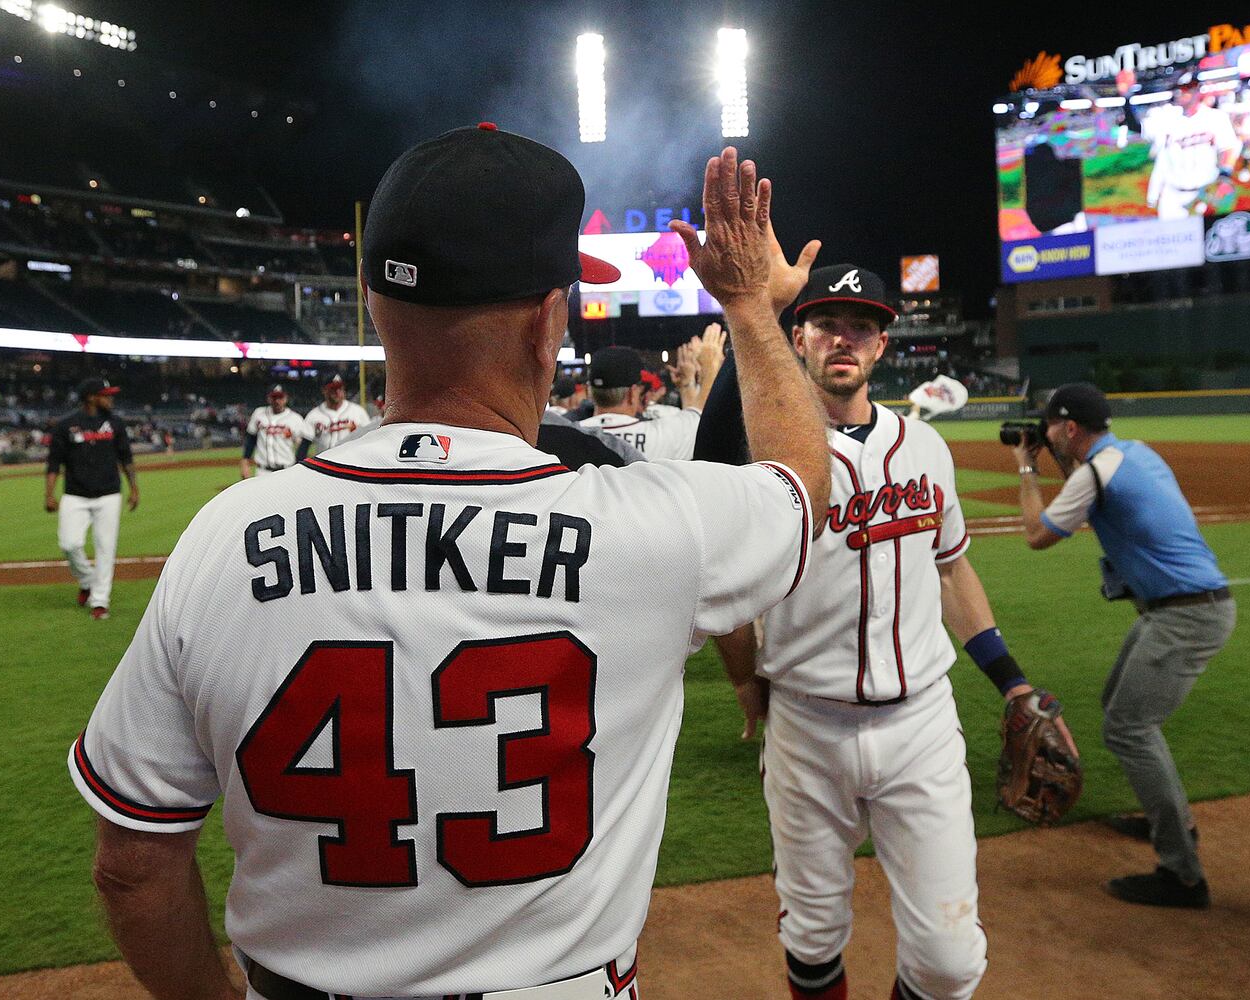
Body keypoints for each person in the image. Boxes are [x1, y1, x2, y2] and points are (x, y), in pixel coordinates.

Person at [68, 133, 830, 1000]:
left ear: (373, 302)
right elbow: (802, 481)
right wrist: (750, 308)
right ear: (550, 318)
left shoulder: (224, 535)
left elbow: (131, 866)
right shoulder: (652, 529)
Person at [697, 263, 1075, 1000]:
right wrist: (745, 680)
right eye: (828, 323)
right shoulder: (766, 457)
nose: (844, 338)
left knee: (950, 962)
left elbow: (952, 570)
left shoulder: (925, 449)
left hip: (920, 724)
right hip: (808, 725)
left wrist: (1011, 680)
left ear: (881, 345)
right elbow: (726, 585)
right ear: (798, 337)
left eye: (860, 326)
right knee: (810, 939)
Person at [1012, 382, 1234, 909]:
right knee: (1118, 706)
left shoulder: (1094, 471)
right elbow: (1088, 495)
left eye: (1049, 427)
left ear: (1069, 429)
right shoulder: (1131, 454)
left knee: (1129, 728)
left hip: (1186, 617)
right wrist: (1058, 463)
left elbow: (1036, 535)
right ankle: (1170, 818)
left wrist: (1026, 467)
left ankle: (1182, 873)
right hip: (1184, 607)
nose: (1043, 434)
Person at [44, 376, 138, 621]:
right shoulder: (66, 425)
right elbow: (54, 462)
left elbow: (126, 458)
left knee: (106, 549)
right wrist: (49, 494)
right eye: (106, 394)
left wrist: (134, 488)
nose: (111, 398)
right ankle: (87, 579)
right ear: (91, 397)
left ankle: (100, 601)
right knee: (69, 544)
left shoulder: (115, 423)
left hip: (109, 494)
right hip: (75, 495)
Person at [579, 329, 724, 460]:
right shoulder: (661, 436)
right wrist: (708, 370)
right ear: (632, 393)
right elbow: (696, 417)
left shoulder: (569, 435)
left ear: (589, 392)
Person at [1142, 72, 1240, 220]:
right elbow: (1138, 126)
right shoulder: (1167, 119)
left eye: (1188, 88)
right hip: (1173, 194)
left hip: (1204, 191)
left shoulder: (1216, 117)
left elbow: (1228, 148)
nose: (1182, 92)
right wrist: (1127, 97)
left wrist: (1225, 175)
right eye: (1180, 88)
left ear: (1197, 90)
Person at [239, 384, 308, 478]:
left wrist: (299, 467)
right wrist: (245, 461)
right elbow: (251, 439)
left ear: (286, 398)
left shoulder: (295, 419)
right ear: (268, 398)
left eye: (280, 397)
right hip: (262, 471)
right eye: (274, 397)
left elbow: (302, 446)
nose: (277, 401)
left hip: (287, 470)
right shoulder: (259, 414)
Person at [301, 374, 371, 456]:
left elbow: (369, 441)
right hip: (324, 464)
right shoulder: (314, 415)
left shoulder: (358, 412)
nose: (337, 392)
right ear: (324, 390)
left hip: (351, 462)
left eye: (340, 388)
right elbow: (304, 447)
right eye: (333, 388)